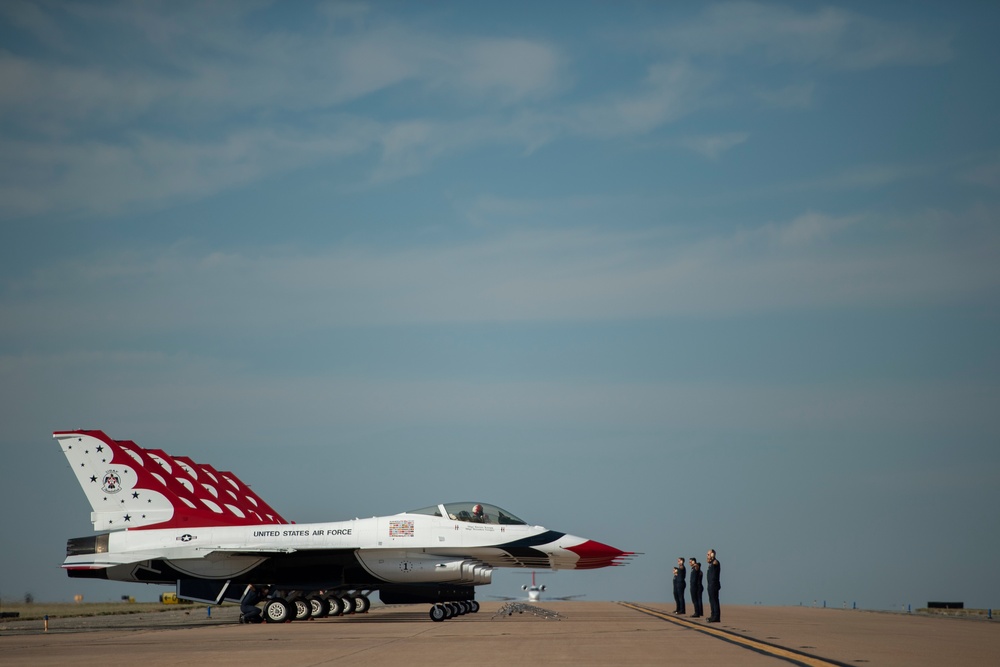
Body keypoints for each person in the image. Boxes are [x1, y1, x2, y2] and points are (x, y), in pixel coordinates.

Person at [706, 549, 721, 622]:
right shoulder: (710, 564)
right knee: (711, 600)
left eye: (708, 554)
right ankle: (712, 615)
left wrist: (712, 557)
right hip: (710, 584)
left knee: (715, 600)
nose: (707, 556)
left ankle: (716, 616)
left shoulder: (715, 562)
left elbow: (715, 563)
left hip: (714, 584)